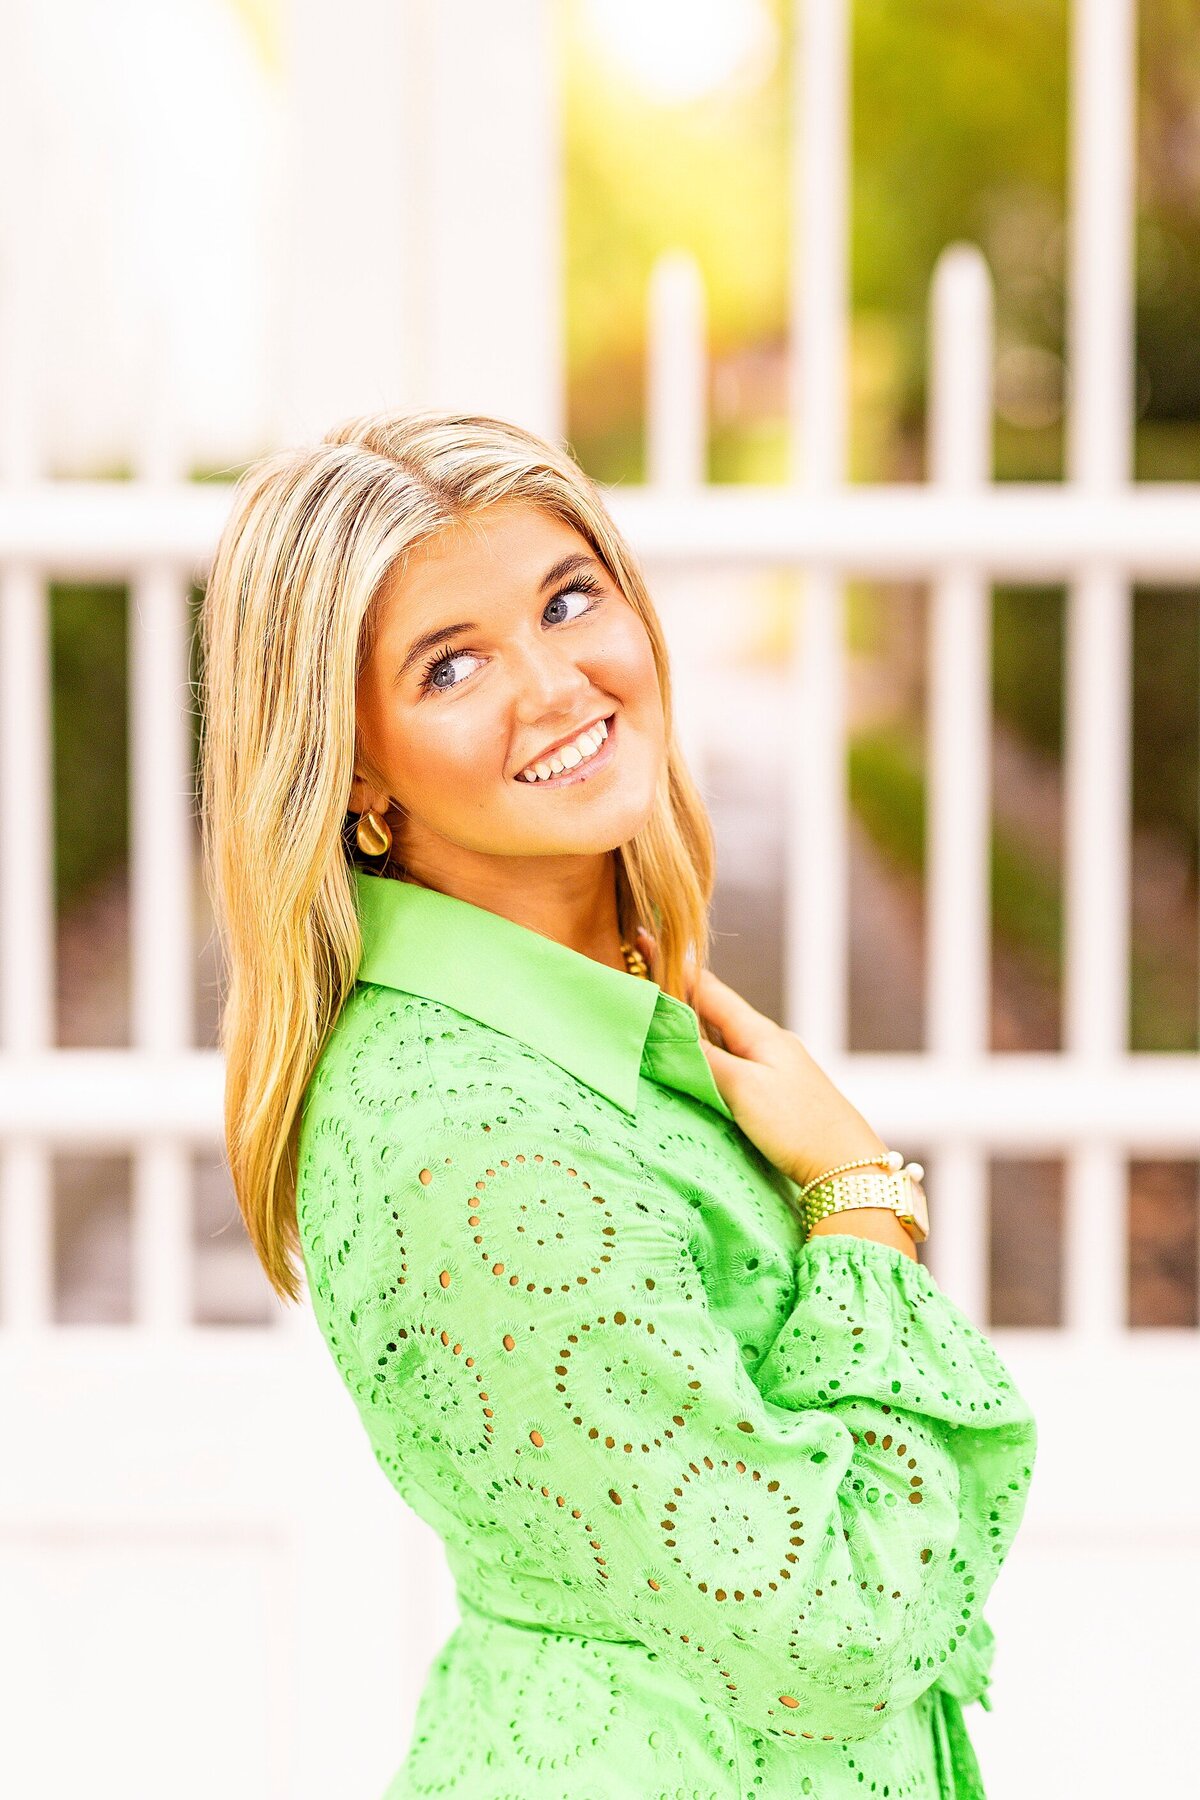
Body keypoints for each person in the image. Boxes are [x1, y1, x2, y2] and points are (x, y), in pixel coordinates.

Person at [197, 407, 1038, 1800]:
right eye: (450, 664)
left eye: (568, 600)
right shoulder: (466, 1137)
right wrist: (861, 1205)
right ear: (353, 770)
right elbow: (824, 1627)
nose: (555, 685)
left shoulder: (607, 1022)